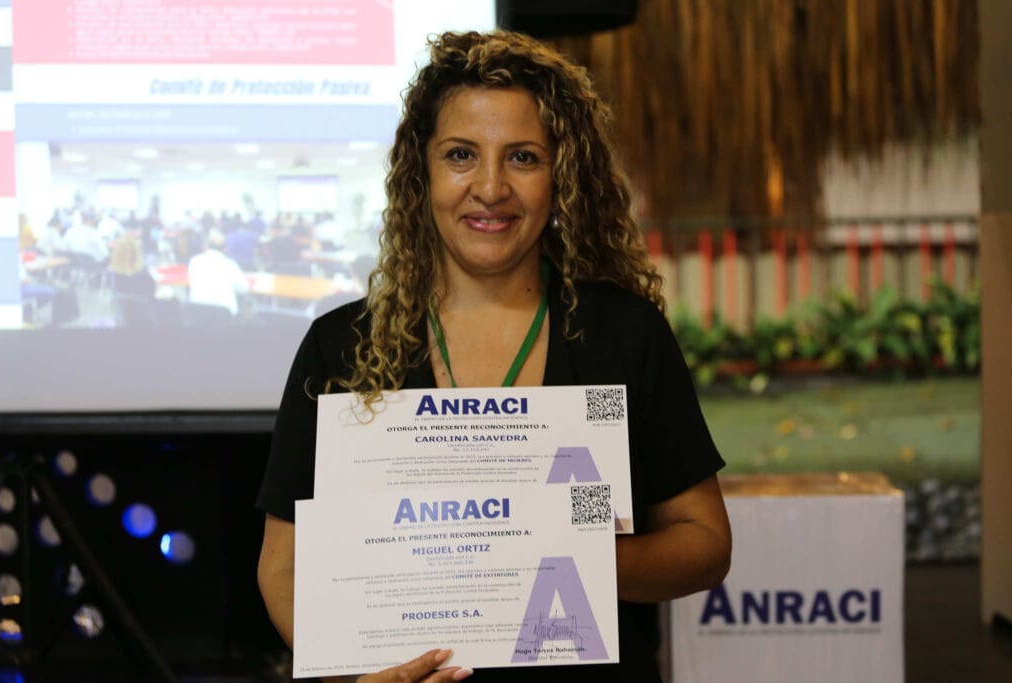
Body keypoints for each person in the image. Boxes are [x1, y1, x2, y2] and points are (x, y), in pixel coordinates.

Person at [256, 30, 731, 683]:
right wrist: (355, 679)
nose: (490, 187)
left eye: (523, 158)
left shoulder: (624, 335)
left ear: (560, 173)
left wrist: (576, 561)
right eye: (460, 154)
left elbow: (705, 543)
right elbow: (283, 564)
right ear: (420, 171)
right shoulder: (342, 346)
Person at [187, 229, 248, 315]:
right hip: (224, 316)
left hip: (197, 313)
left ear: (206, 246)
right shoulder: (230, 264)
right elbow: (243, 288)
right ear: (225, 249)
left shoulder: (194, 261)